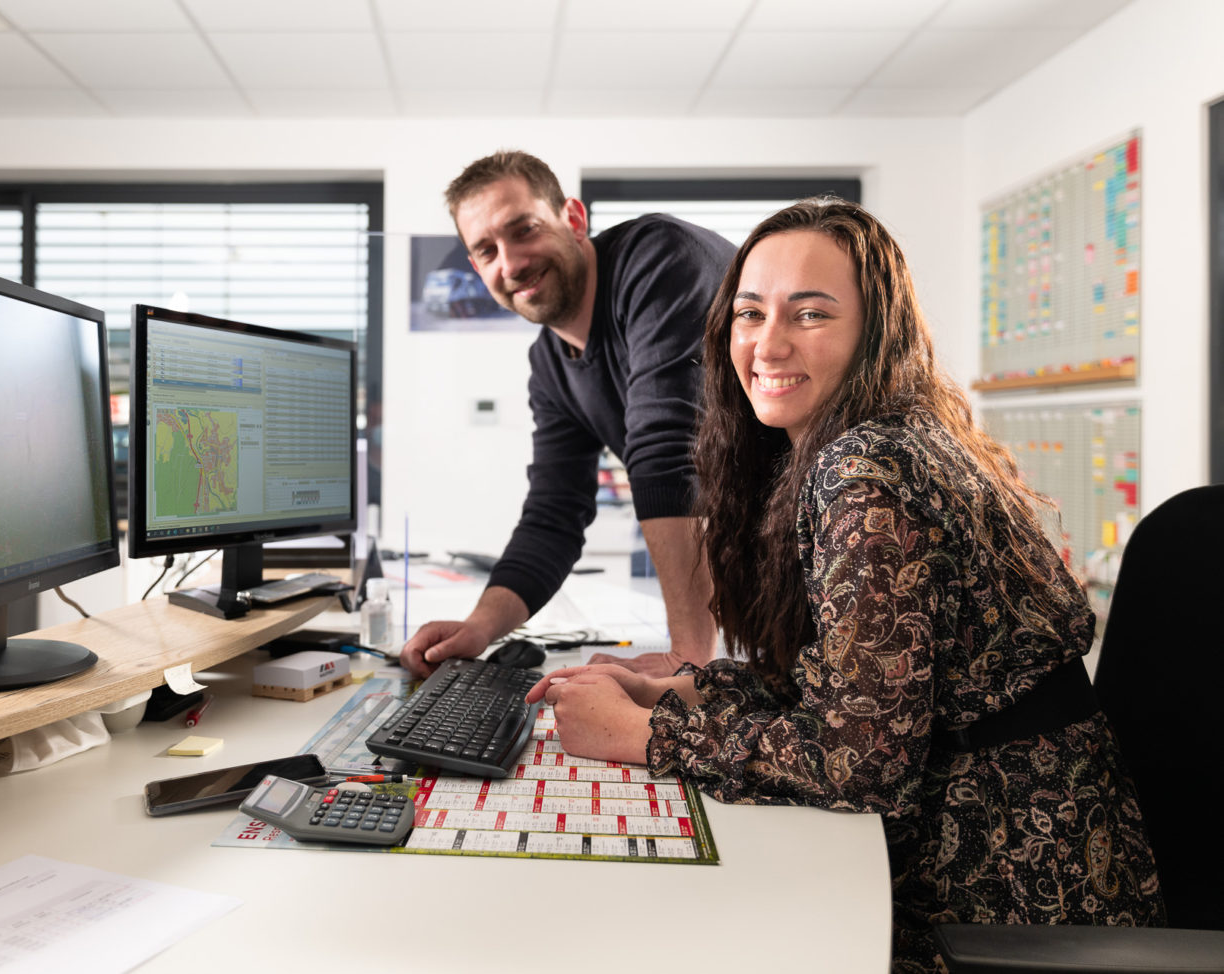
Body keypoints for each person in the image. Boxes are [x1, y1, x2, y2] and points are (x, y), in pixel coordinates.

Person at [527, 198, 1164, 971]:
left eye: (812, 314)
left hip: (1007, 899)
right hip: (1034, 848)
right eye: (749, 313)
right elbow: (852, 686)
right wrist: (681, 692)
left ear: (875, 333)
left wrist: (640, 733)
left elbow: (861, 762)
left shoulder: (865, 473)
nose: (768, 343)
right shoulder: (878, 440)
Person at [400, 150, 735, 678]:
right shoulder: (550, 364)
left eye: (524, 229)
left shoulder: (658, 259)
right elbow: (555, 512)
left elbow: (668, 448)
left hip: (849, 534)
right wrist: (480, 627)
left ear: (573, 219)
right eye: (487, 250)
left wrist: (688, 655)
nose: (510, 263)